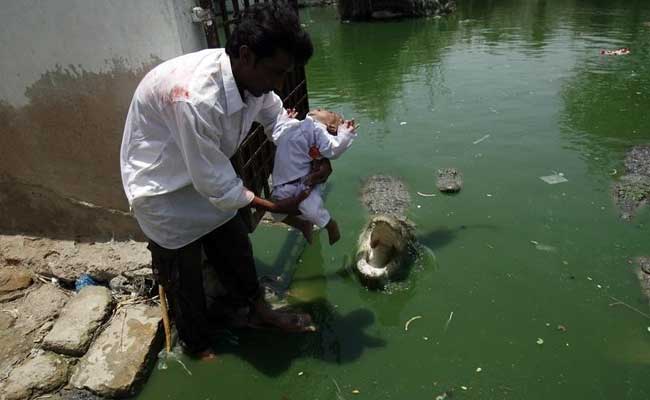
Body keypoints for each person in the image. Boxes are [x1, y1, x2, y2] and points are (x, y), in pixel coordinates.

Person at [120, 2, 321, 358]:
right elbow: (213, 182)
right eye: (275, 72)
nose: (278, 83)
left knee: (235, 246)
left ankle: (257, 312)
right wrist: (274, 206)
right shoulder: (195, 97)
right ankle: (197, 346)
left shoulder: (251, 80)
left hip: (203, 171)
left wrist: (312, 153)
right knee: (184, 278)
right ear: (246, 55)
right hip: (163, 189)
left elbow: (278, 122)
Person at [270, 108, 357, 245]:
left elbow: (333, 149)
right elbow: (277, 136)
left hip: (303, 183)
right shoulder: (297, 125)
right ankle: (302, 225)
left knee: (311, 210)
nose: (321, 109)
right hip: (283, 184)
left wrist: (345, 134)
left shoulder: (317, 130)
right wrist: (286, 119)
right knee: (275, 211)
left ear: (330, 126)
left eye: (330, 112)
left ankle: (330, 225)